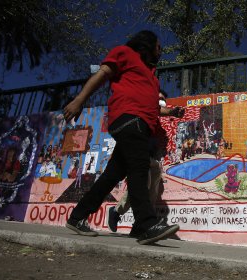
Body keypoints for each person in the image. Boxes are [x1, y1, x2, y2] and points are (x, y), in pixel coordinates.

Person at [63, 30, 182, 245]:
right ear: (147, 44)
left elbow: (153, 106)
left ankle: (77, 216)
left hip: (142, 126)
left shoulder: (152, 76)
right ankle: (145, 224)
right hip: (128, 118)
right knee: (139, 168)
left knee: (112, 175)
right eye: (158, 47)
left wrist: (171, 113)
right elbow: (101, 75)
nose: (160, 51)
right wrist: (79, 100)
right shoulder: (125, 53)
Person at [107, 91, 184, 236]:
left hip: (151, 157)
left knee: (152, 192)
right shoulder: (145, 107)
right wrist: (170, 111)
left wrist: (172, 112)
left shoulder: (155, 120)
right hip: (138, 154)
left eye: (163, 99)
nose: (161, 101)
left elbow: (161, 111)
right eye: (159, 98)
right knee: (141, 185)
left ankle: (139, 226)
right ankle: (117, 211)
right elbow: (159, 109)